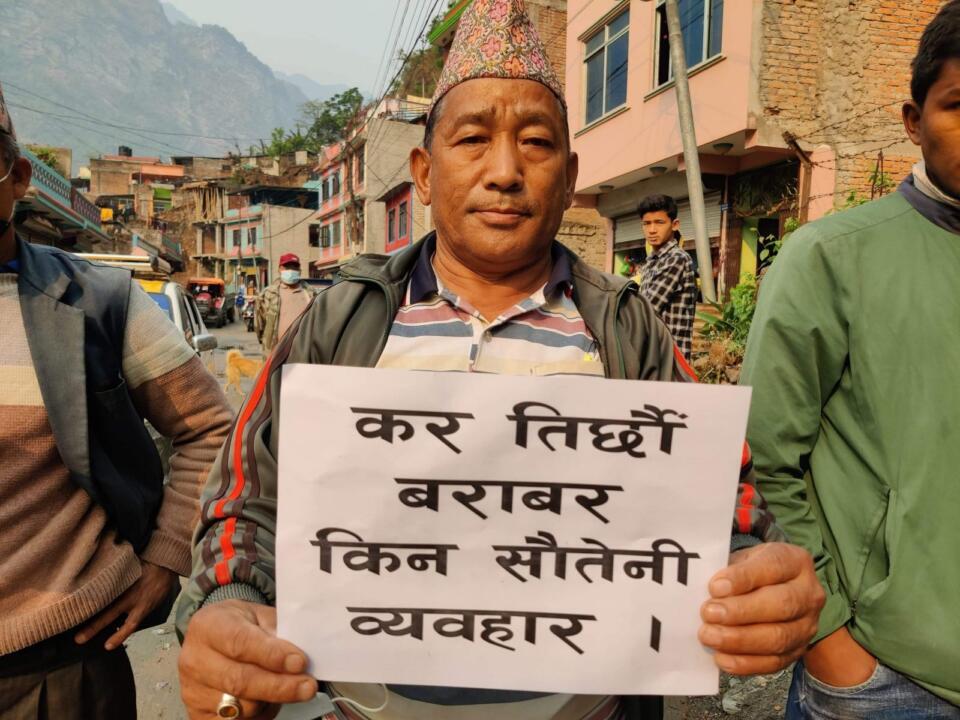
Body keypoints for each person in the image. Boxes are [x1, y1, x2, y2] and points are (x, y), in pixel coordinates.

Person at [177, 2, 824, 719]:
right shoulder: (343, 321)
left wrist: (754, 572)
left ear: (570, 176)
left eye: (537, 143)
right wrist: (230, 602)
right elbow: (247, 498)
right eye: (474, 139)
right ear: (424, 173)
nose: (506, 171)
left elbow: (721, 498)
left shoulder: (624, 326)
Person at [740, 2, 960, 717]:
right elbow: (760, 459)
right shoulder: (831, 257)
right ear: (914, 120)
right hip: (891, 681)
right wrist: (828, 634)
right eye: (959, 105)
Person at [0, 83, 233, 719]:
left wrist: (167, 558)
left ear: (18, 178)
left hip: (57, 671)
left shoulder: (97, 302)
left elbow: (210, 430)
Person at [636, 194, 697, 360]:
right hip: (653, 354)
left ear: (674, 224)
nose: (652, 230)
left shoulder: (676, 259)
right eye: (647, 223)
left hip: (669, 359)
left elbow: (645, 309)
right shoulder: (651, 261)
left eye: (659, 222)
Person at [255, 253, 315, 352]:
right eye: (287, 267)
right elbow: (259, 326)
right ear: (279, 269)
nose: (291, 270)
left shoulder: (311, 294)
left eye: (294, 267)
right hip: (276, 352)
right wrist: (267, 342)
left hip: (304, 352)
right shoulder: (267, 294)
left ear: (300, 270)